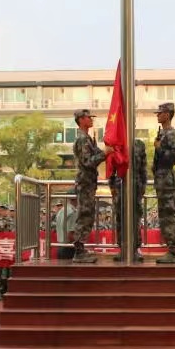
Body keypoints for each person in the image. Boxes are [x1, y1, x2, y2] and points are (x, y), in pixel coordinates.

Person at [71, 109, 108, 263]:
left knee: (88, 215)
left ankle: (81, 249)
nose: (91, 119)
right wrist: (105, 153)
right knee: (84, 215)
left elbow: (97, 154)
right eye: (88, 117)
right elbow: (88, 162)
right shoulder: (82, 139)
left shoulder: (87, 138)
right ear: (81, 120)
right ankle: (79, 251)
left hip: (89, 182)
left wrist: (107, 150)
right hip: (85, 182)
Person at [153, 103, 175, 264]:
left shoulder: (170, 133)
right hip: (162, 179)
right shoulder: (163, 133)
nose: (158, 115)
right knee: (165, 216)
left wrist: (159, 149)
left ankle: (173, 251)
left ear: (168, 114)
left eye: (160, 113)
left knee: (169, 216)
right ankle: (171, 249)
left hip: (166, 180)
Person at [54, 194, 78, 260]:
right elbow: (70, 234)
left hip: (60, 246)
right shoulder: (72, 212)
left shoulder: (62, 210)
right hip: (69, 248)